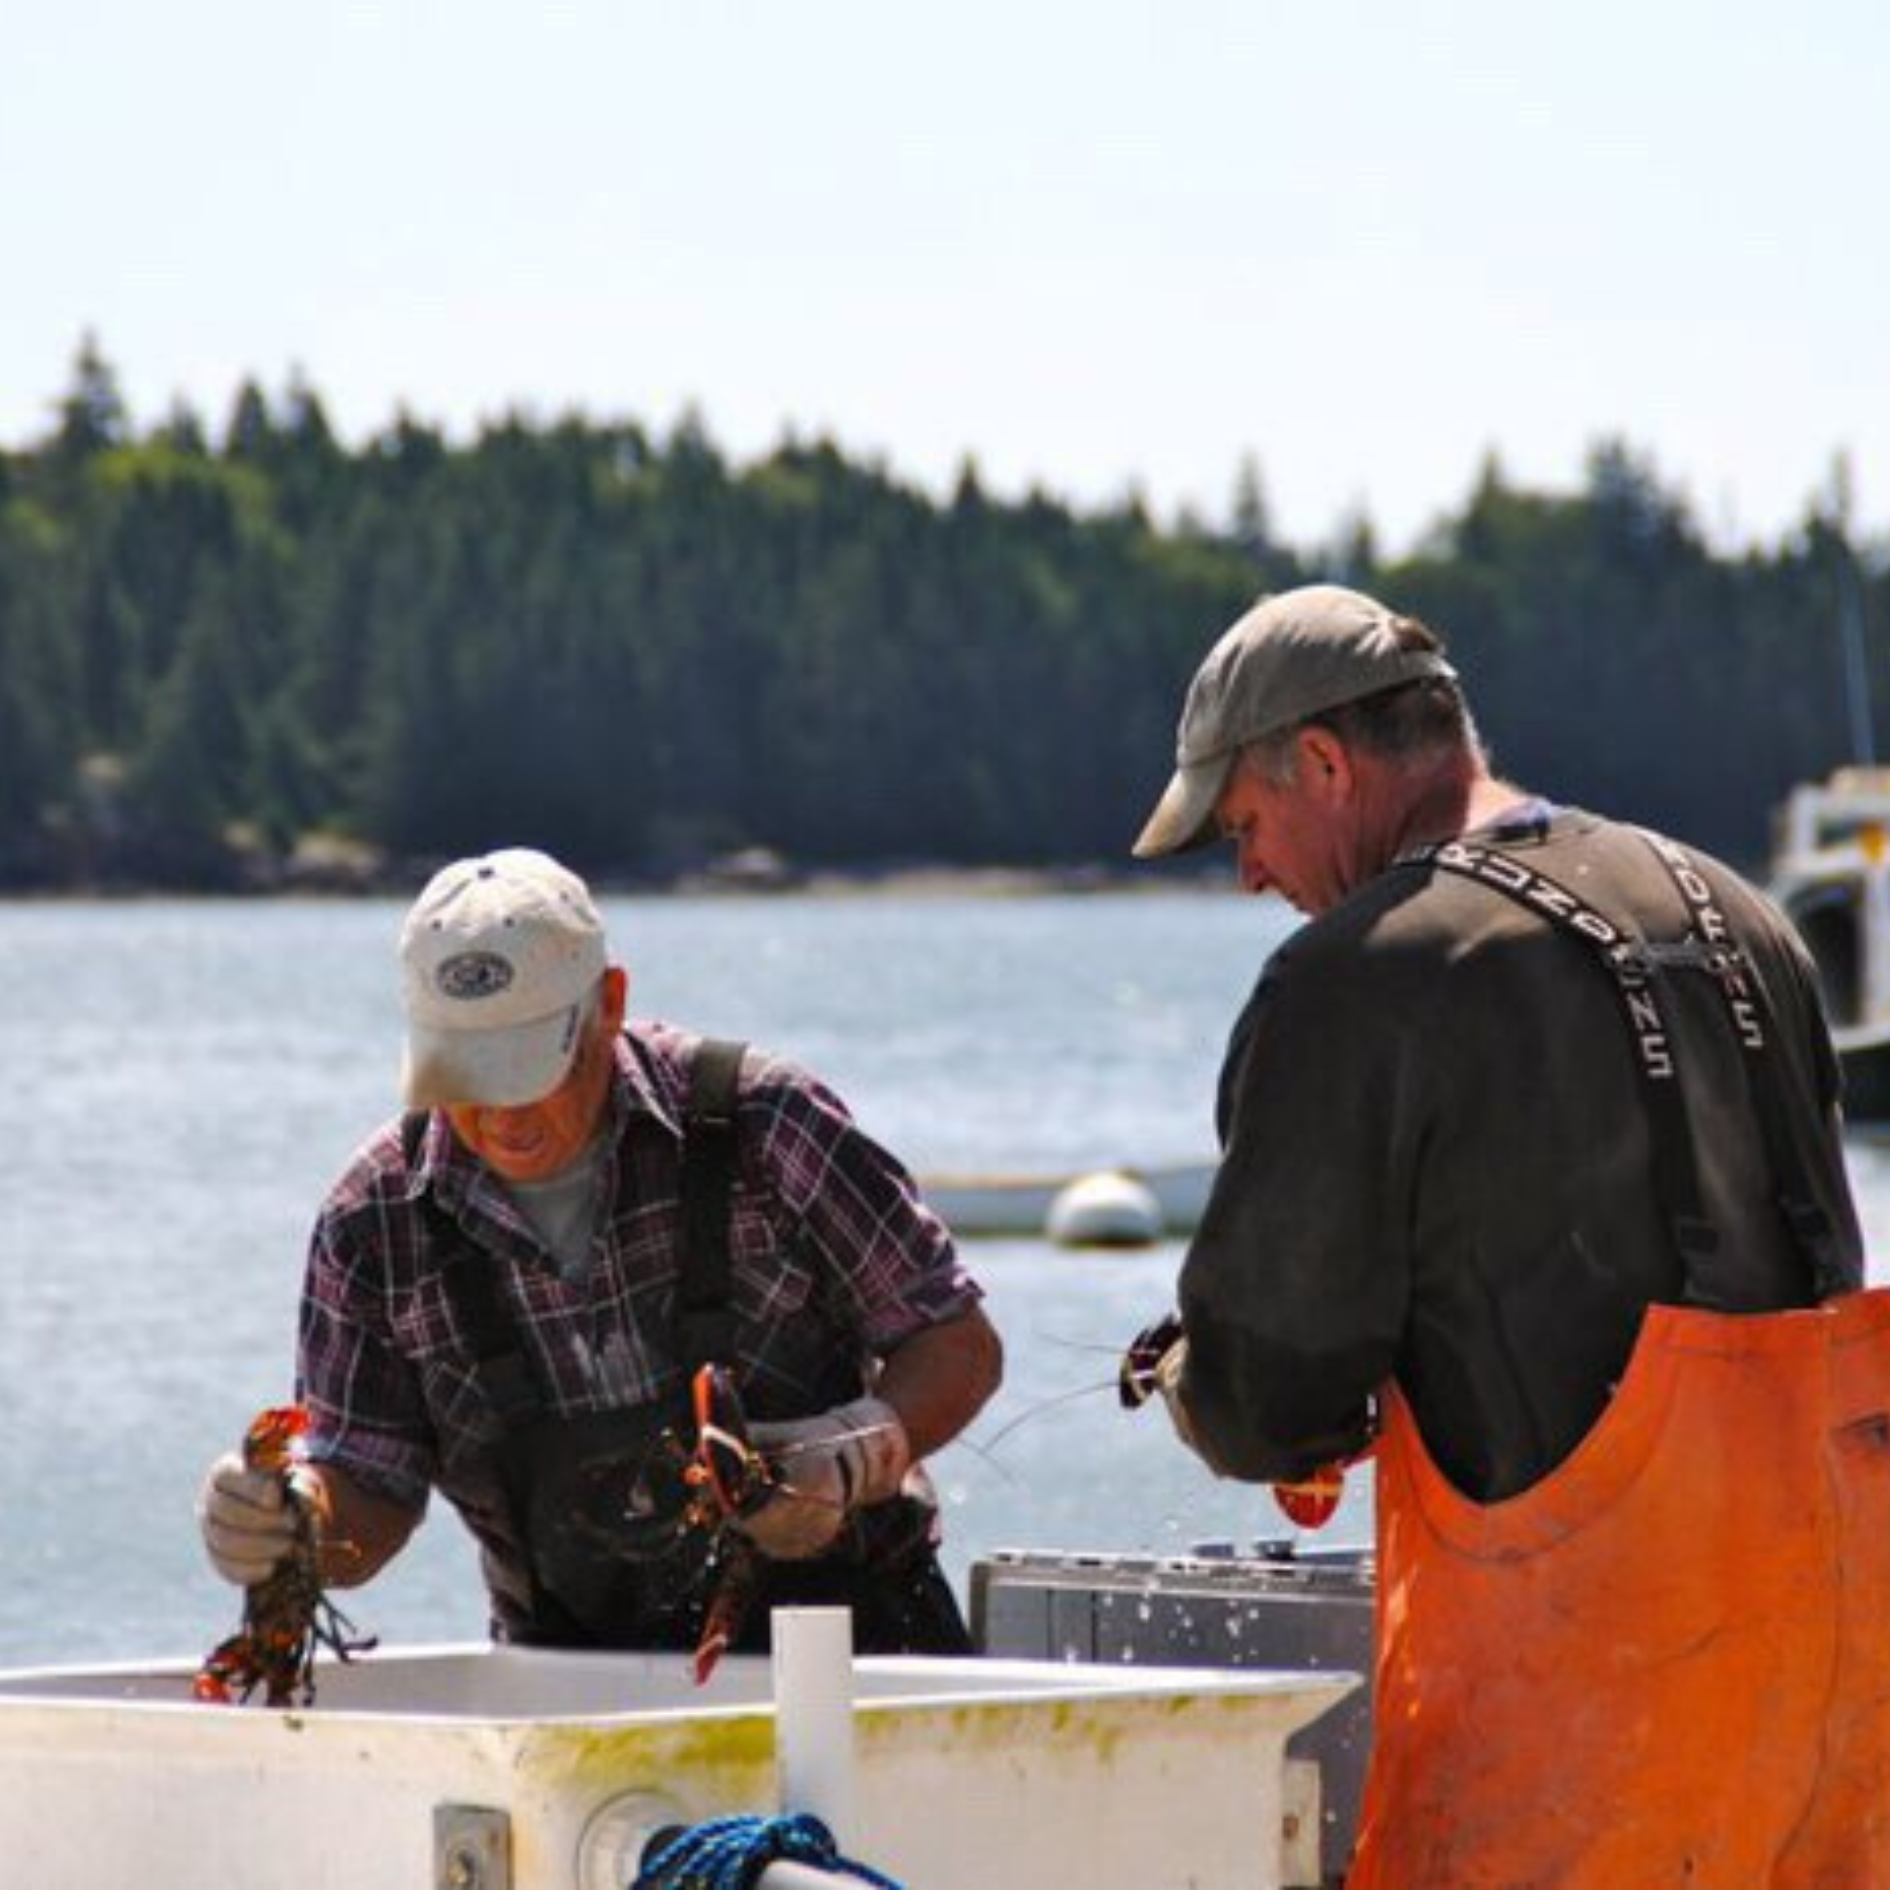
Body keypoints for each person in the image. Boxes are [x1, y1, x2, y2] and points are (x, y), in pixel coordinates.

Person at [1128, 583, 1890, 1884]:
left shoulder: (1356, 978)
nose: (1248, 868)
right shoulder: (1739, 911)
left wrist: (1189, 1373)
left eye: (1244, 824)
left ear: (1322, 760)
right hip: (1834, 1710)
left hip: (1583, 1731)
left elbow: (1268, 1399)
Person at [198, 847, 1002, 1659]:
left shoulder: (764, 1125)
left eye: (533, 1070)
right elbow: (368, 1488)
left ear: (610, 1003)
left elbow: (957, 1342)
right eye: (470, 1078)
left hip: (869, 1651)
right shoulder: (373, 1220)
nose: (505, 1117)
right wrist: (293, 1518)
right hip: (570, 1692)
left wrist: (854, 1454)